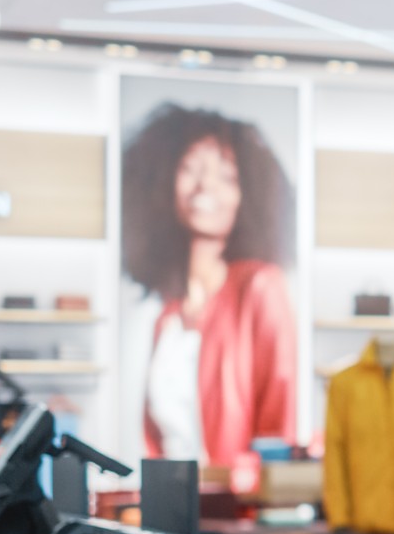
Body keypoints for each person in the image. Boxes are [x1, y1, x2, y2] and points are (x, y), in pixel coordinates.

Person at [121, 103, 296, 464]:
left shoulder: (261, 288)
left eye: (227, 176)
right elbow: (153, 438)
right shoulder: (164, 316)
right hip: (169, 504)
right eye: (190, 168)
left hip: (232, 510)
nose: (206, 186)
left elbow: (279, 425)